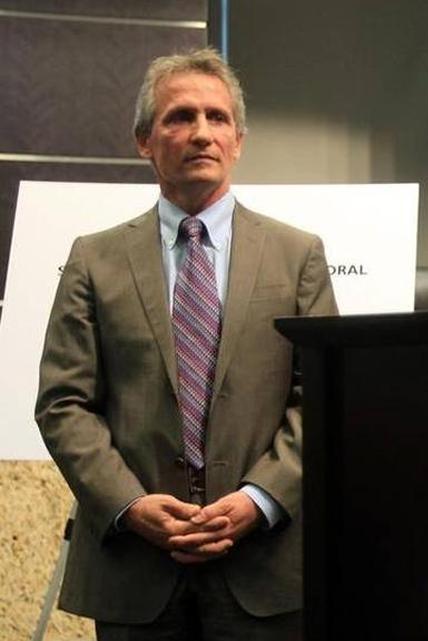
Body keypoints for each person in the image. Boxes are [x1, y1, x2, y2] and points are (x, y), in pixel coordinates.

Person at [35, 48, 336, 639]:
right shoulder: (92, 260)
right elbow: (63, 404)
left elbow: (321, 399)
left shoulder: (297, 256)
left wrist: (259, 499)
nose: (201, 132)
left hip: (265, 566)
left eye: (217, 118)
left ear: (239, 140)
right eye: (180, 117)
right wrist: (128, 505)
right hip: (136, 568)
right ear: (144, 140)